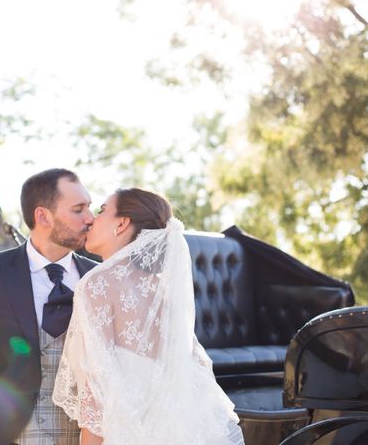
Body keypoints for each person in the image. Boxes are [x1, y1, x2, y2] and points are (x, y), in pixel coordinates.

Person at [53, 188, 245, 444]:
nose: (91, 219)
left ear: (121, 224)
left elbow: (95, 394)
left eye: (102, 211)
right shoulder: (162, 292)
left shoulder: (97, 284)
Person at [0, 168, 97, 445]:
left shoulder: (99, 278)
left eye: (90, 207)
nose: (90, 218)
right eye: (78, 209)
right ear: (43, 216)